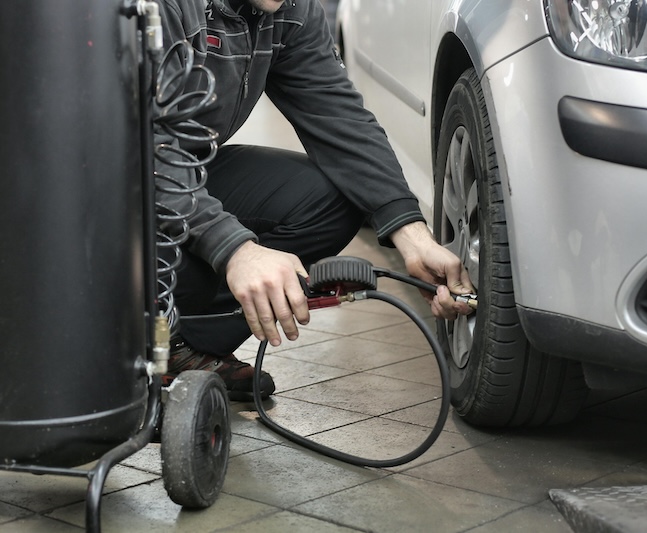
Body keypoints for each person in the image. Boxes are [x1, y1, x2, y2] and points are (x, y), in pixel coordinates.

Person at [154, 0, 474, 401]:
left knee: (332, 198)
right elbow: (133, 145)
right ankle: (110, 326)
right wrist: (234, 249)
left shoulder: (286, 9)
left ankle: (178, 344)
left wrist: (413, 236)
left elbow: (338, 116)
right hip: (94, 190)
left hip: (177, 172)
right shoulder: (160, 8)